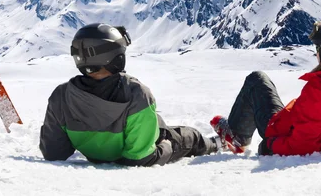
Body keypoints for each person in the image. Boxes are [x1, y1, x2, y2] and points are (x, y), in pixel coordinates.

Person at [39, 23, 219, 166]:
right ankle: (219, 144)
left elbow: (54, 153)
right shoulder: (136, 94)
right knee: (190, 137)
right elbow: (140, 158)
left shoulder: (60, 96)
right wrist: (166, 145)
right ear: (115, 58)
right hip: (153, 138)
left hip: (134, 134)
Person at [211, 19, 321, 156]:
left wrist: (272, 144)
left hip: (279, 130)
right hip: (307, 130)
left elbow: (302, 145)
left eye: (320, 48)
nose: (317, 53)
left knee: (257, 79)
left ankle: (236, 136)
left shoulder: (320, 89)